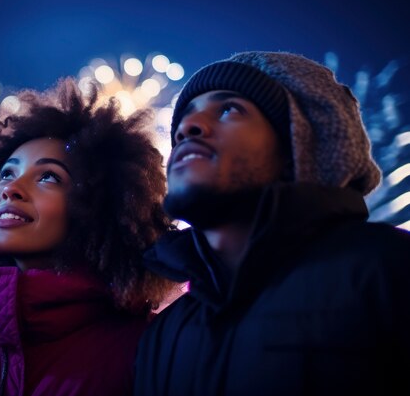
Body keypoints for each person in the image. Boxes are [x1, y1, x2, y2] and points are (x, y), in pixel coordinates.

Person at [134, 51, 410, 396]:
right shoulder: (164, 335)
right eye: (181, 125)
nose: (188, 128)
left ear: (298, 145)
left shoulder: (388, 270)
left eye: (229, 109)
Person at [0, 78, 175, 396]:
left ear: (100, 206)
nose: (11, 188)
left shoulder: (146, 347)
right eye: (7, 174)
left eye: (48, 177)